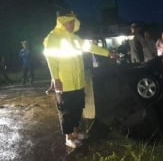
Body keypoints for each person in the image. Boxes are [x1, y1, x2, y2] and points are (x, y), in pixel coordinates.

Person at [43, 10, 114, 149]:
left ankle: (75, 133)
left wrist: (108, 53)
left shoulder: (75, 38)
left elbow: (91, 47)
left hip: (78, 82)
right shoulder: (53, 38)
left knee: (77, 109)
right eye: (69, 22)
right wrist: (55, 79)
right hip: (65, 84)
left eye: (73, 22)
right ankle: (68, 137)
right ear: (62, 22)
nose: (72, 25)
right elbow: (51, 60)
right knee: (67, 111)